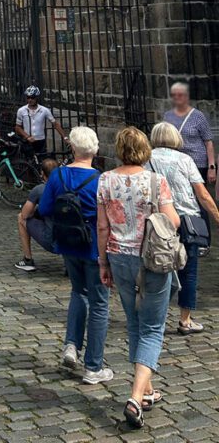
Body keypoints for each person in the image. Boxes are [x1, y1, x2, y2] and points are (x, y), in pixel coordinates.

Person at [97, 127, 180, 429]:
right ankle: (134, 397)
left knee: (134, 322)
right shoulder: (156, 181)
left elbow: (102, 227)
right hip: (152, 259)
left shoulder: (105, 180)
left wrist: (102, 261)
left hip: (119, 256)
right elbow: (172, 221)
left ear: (119, 149)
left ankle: (146, 391)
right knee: (153, 327)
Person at [38, 128, 111, 384]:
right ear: (96, 150)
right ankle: (93, 366)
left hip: (69, 244)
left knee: (78, 293)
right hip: (94, 246)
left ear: (72, 149)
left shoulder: (58, 174)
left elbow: (45, 207)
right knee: (100, 303)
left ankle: (71, 345)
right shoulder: (101, 179)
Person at [147, 121, 219, 336]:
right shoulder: (184, 160)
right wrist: (216, 216)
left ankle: (152, 316)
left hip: (158, 221)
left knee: (156, 267)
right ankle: (185, 320)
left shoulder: (146, 159)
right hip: (186, 221)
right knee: (189, 272)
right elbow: (203, 194)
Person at [163, 82, 215, 187]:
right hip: (176, 164)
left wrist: (211, 168)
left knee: (199, 196)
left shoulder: (198, 116)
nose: (177, 97)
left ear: (187, 96)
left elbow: (208, 142)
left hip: (198, 164)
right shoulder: (167, 116)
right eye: (174, 95)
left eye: (180, 94)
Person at [14, 158, 59, 272]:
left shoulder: (40, 190)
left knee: (20, 218)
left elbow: (25, 214)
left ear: (42, 174)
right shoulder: (69, 186)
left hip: (53, 240)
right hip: (72, 237)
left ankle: (28, 259)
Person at [15, 86, 68, 158]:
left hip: (40, 141)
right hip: (27, 141)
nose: (30, 100)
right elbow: (17, 127)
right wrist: (27, 136)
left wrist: (65, 138)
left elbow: (55, 124)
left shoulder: (44, 110)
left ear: (37, 98)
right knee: (28, 163)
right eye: (28, 97)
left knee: (42, 162)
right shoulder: (21, 110)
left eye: (32, 97)